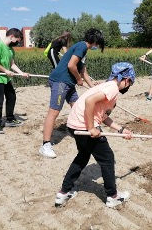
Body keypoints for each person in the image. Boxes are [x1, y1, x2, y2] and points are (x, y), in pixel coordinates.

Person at [55, 62, 135, 209]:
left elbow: (103, 116)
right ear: (125, 78)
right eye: (129, 82)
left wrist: (121, 129)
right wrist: (91, 127)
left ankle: (64, 192)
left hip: (73, 124)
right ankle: (113, 197)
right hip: (83, 126)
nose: (128, 85)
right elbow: (89, 101)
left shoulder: (106, 87)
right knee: (107, 159)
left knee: (83, 156)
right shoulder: (112, 88)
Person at [39, 28, 105, 158]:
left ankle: (87, 129)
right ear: (95, 41)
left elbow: (83, 71)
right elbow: (71, 65)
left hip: (68, 83)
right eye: (98, 44)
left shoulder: (83, 50)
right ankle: (45, 145)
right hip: (60, 82)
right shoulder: (81, 46)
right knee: (54, 112)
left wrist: (93, 87)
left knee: (77, 107)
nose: (97, 46)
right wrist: (79, 80)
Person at [0, 28, 29, 134]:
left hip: (5, 77)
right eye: (17, 40)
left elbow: (12, 64)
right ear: (12, 36)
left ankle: (9, 119)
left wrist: (21, 73)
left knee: (11, 96)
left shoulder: (10, 49)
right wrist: (5, 70)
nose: (18, 43)